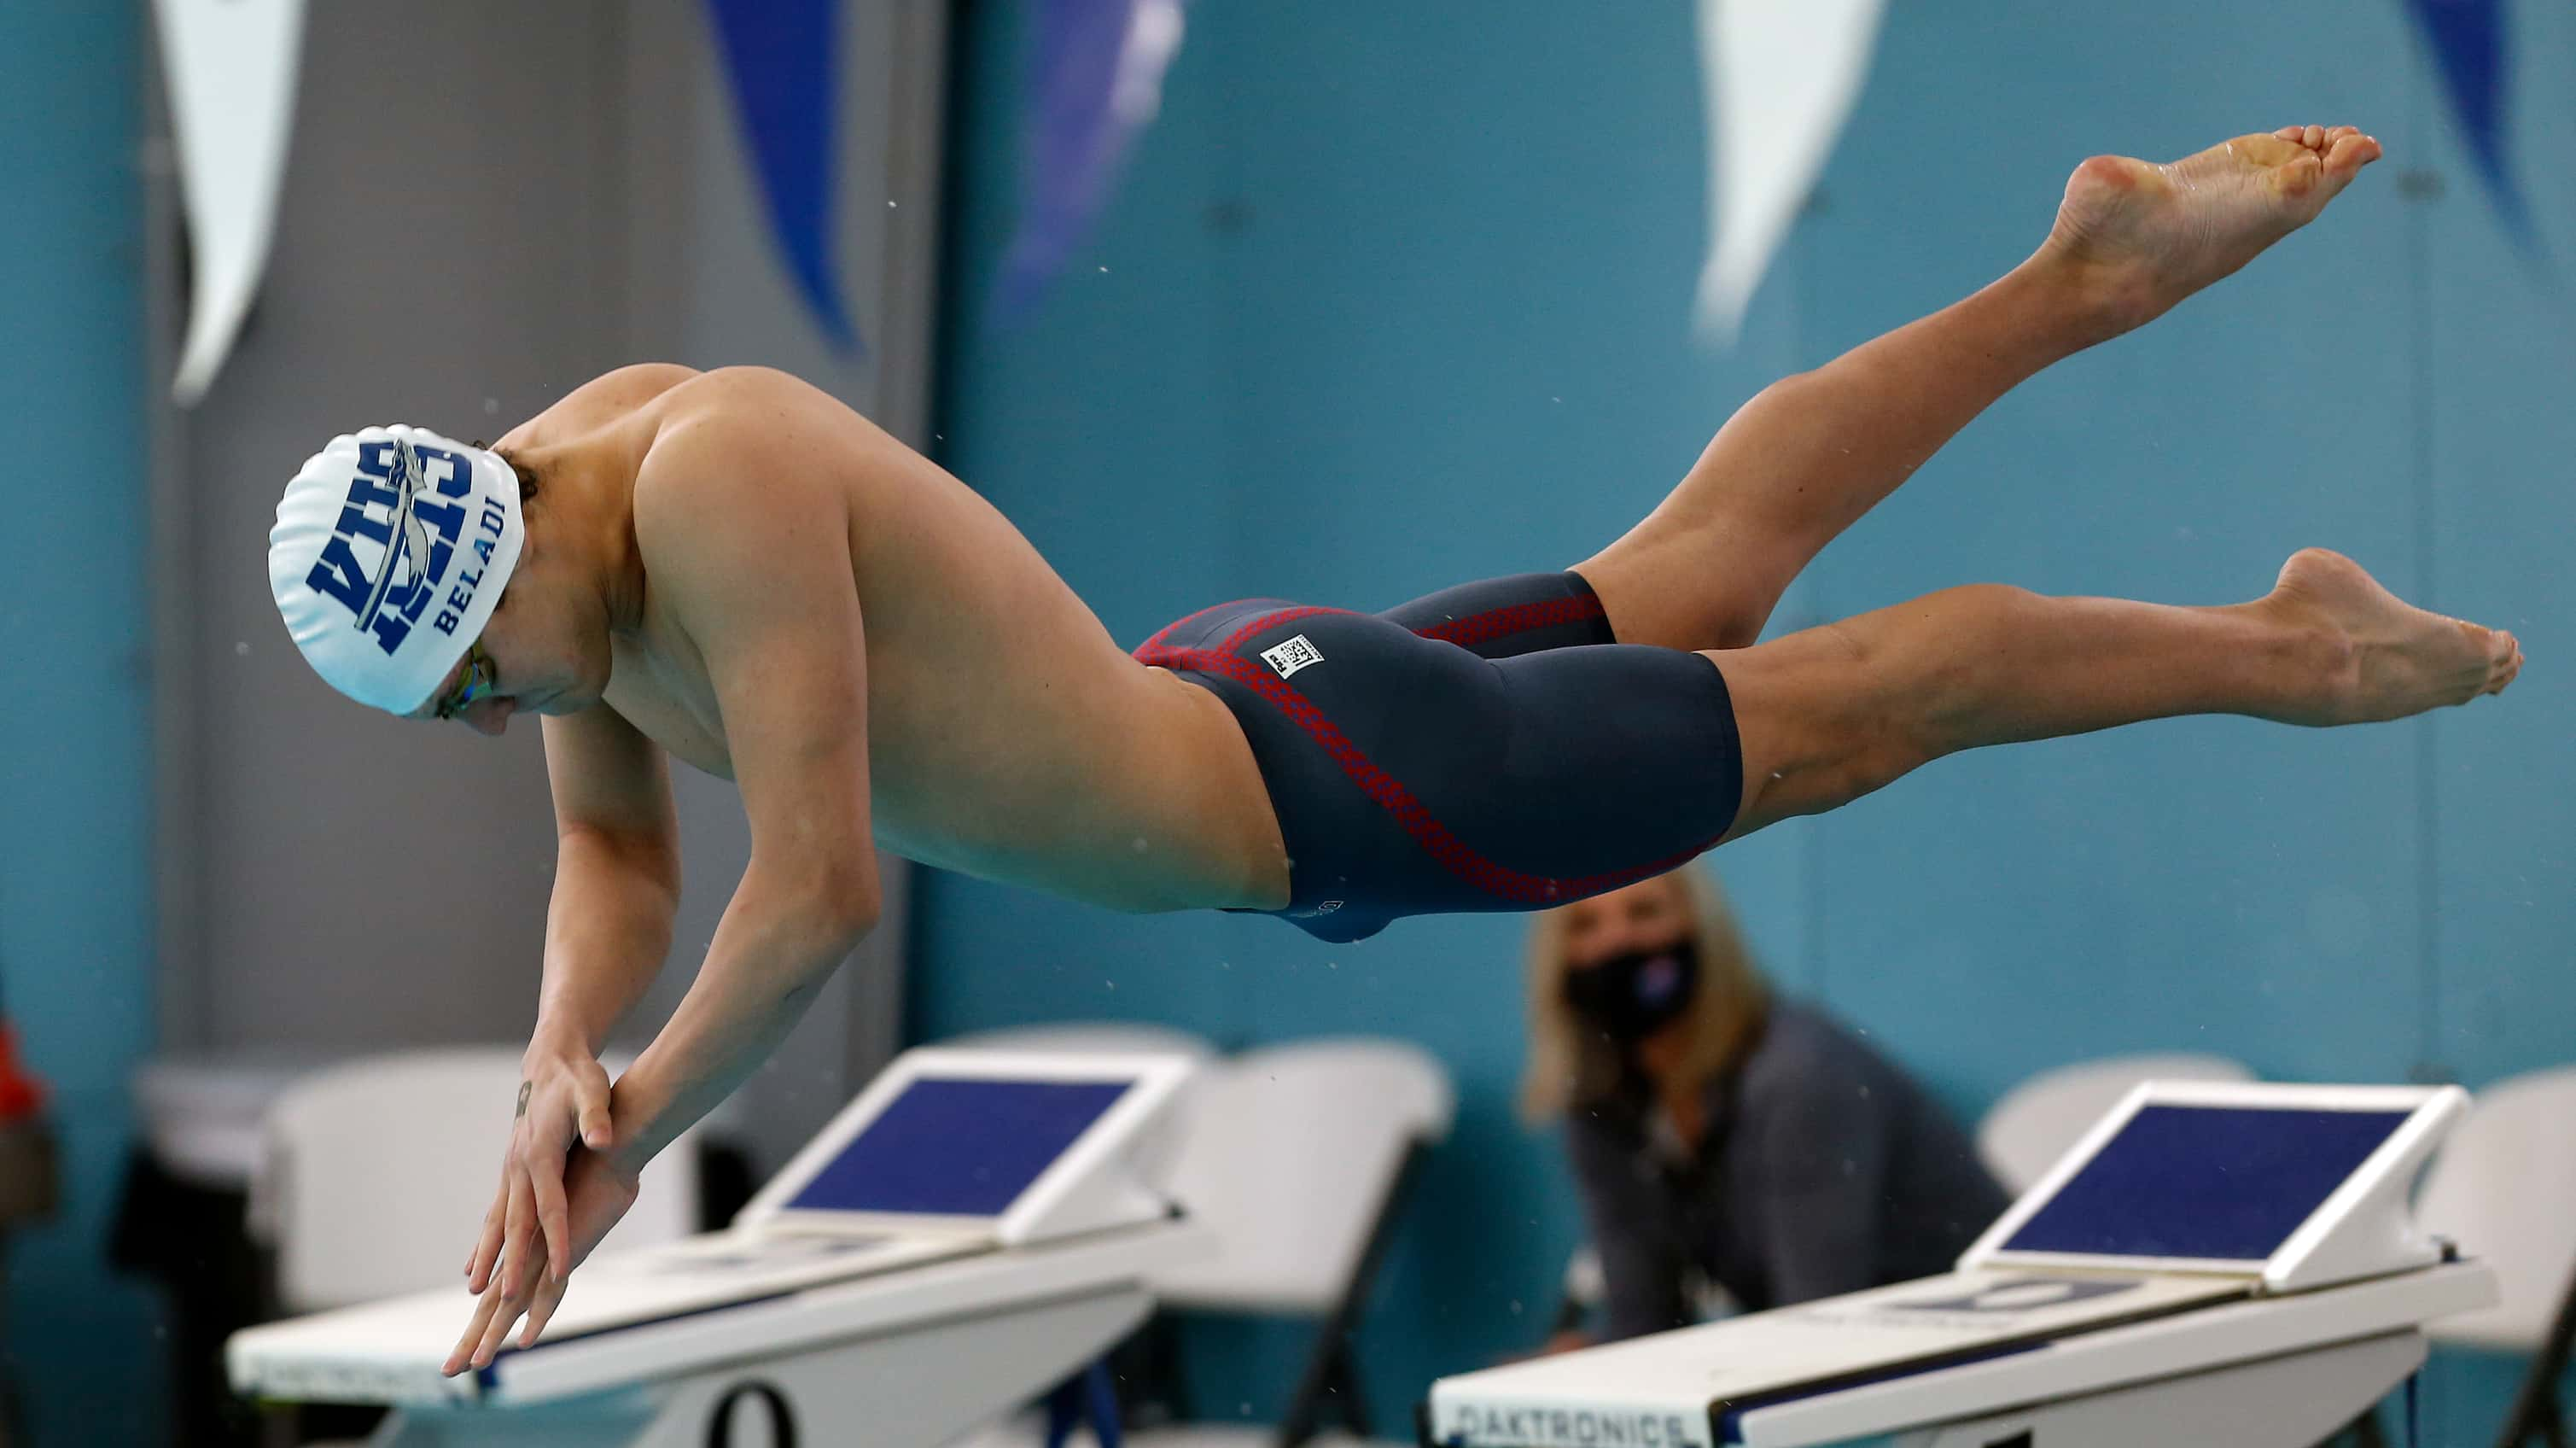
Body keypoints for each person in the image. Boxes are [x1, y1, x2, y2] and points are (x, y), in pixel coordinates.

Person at [261, 124, 2520, 1371]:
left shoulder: (705, 477)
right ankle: (2078, 272)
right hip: (1261, 709)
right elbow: (627, 871)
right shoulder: (558, 560)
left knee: (1845, 713)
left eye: (474, 673)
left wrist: (640, 1123)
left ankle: (2281, 643)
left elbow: (823, 880)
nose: (494, 712)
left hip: (1316, 781)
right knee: (1700, 570)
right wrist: (565, 1053)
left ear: (485, 541)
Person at [1525, 869, 2008, 1343]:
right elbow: (1644, 1324)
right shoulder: (1605, 1106)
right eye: (1584, 925)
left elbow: (1816, 1327)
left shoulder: (1801, 1077)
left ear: (1704, 930)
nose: (1617, 943)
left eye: (1645, 911)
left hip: (1982, 1352)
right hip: (1844, 1356)